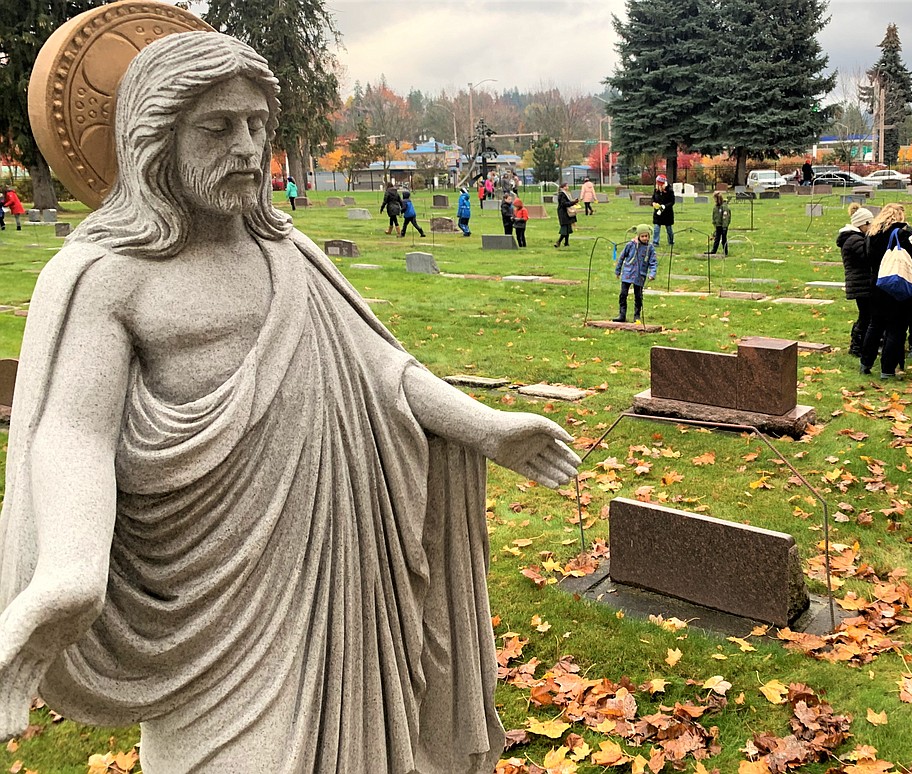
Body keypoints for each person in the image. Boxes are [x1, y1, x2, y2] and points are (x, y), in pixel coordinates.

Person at [0, 31, 579, 772]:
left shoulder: (284, 251)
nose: (246, 148)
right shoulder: (103, 277)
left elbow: (379, 367)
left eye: (257, 126)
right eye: (217, 128)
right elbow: (72, 432)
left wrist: (487, 427)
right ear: (154, 139)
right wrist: (71, 570)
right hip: (206, 605)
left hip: (331, 578)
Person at [859, 203, 912, 378]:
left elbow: (869, 257)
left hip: (877, 283)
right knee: (897, 327)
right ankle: (887, 369)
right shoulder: (902, 233)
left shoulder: (871, 234)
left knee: (875, 324)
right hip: (897, 282)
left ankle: (865, 362)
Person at [838, 203, 872, 357]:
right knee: (865, 316)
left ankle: (860, 345)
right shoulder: (854, 240)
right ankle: (857, 347)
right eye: (869, 224)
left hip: (860, 283)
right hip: (861, 284)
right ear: (863, 224)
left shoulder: (854, 238)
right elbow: (868, 257)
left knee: (865, 315)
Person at [614, 224, 657, 323]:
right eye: (642, 236)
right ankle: (622, 314)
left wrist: (652, 273)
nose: (645, 238)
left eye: (646, 236)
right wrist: (618, 270)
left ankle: (637, 315)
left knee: (638, 296)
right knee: (623, 294)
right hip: (628, 273)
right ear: (638, 236)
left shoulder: (650, 248)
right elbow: (622, 257)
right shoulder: (630, 245)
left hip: (640, 275)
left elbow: (653, 262)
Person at [651, 174, 675, 247]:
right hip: (658, 213)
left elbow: (672, 202)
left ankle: (671, 241)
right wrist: (653, 203)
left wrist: (665, 206)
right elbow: (653, 198)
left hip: (667, 213)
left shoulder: (670, 190)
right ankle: (655, 242)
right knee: (656, 228)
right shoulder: (656, 190)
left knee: (669, 229)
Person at [554, 182, 578, 248]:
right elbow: (564, 203)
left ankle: (566, 243)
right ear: (563, 187)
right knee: (564, 228)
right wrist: (573, 203)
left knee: (568, 228)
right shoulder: (562, 194)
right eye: (566, 186)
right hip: (563, 213)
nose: (568, 187)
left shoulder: (566, 194)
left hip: (567, 213)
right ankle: (558, 242)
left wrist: (573, 201)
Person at [710, 191, 732, 257]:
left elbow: (725, 217)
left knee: (724, 239)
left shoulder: (724, 207)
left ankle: (725, 252)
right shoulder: (716, 207)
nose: (714, 200)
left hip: (723, 226)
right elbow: (714, 215)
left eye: (715, 198)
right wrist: (714, 222)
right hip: (718, 225)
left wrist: (724, 226)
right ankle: (713, 251)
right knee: (717, 239)